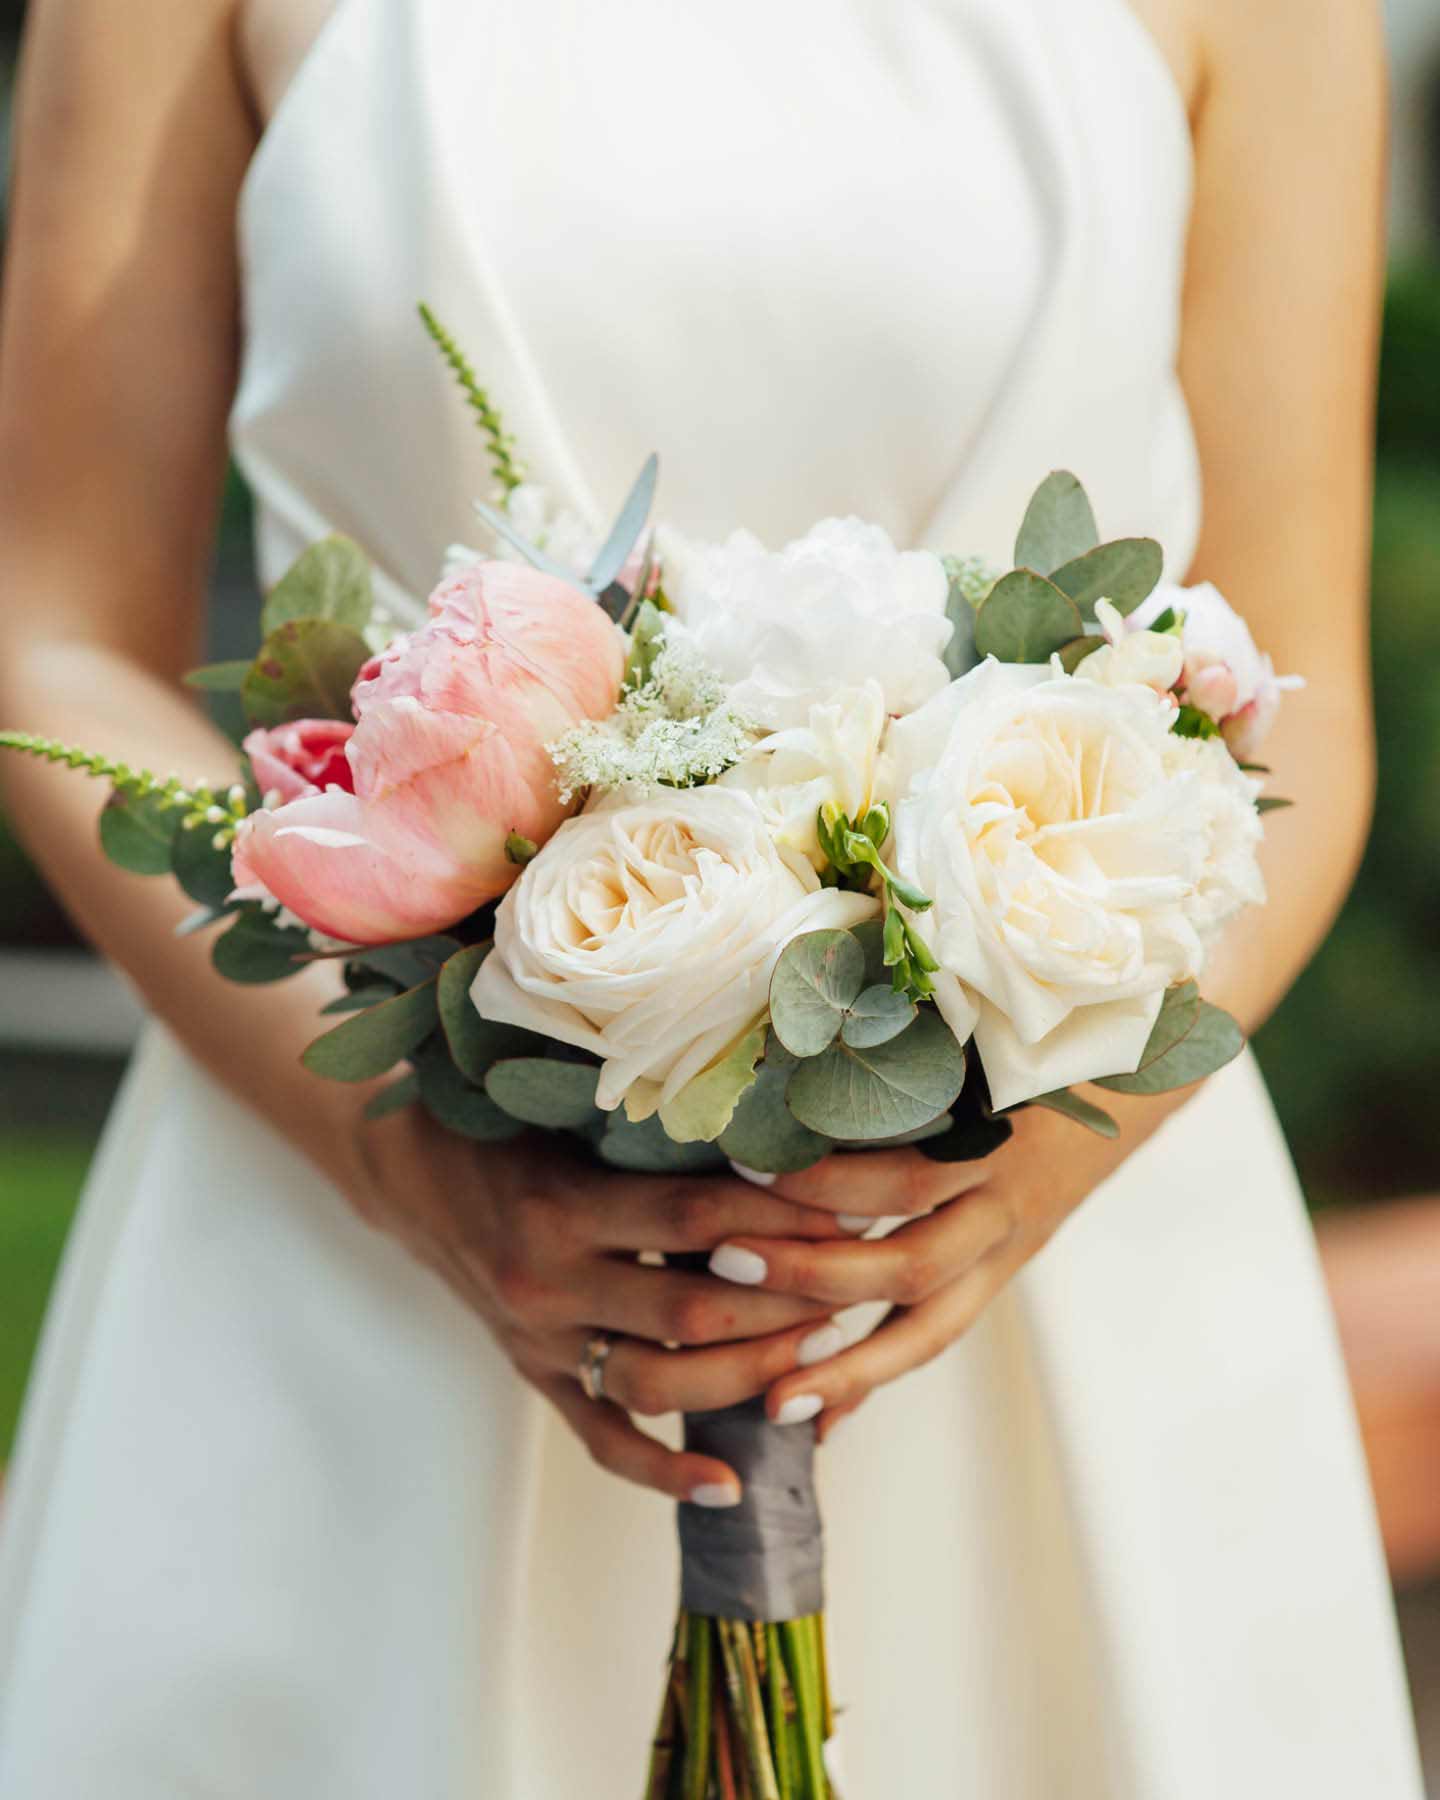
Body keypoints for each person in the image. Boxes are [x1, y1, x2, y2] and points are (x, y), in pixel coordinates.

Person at [0, 0, 1424, 1793]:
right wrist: (390, 1144)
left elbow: (1304, 679)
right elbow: (54, 640)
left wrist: (1034, 1162)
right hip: (352, 1243)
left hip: (1034, 1250)